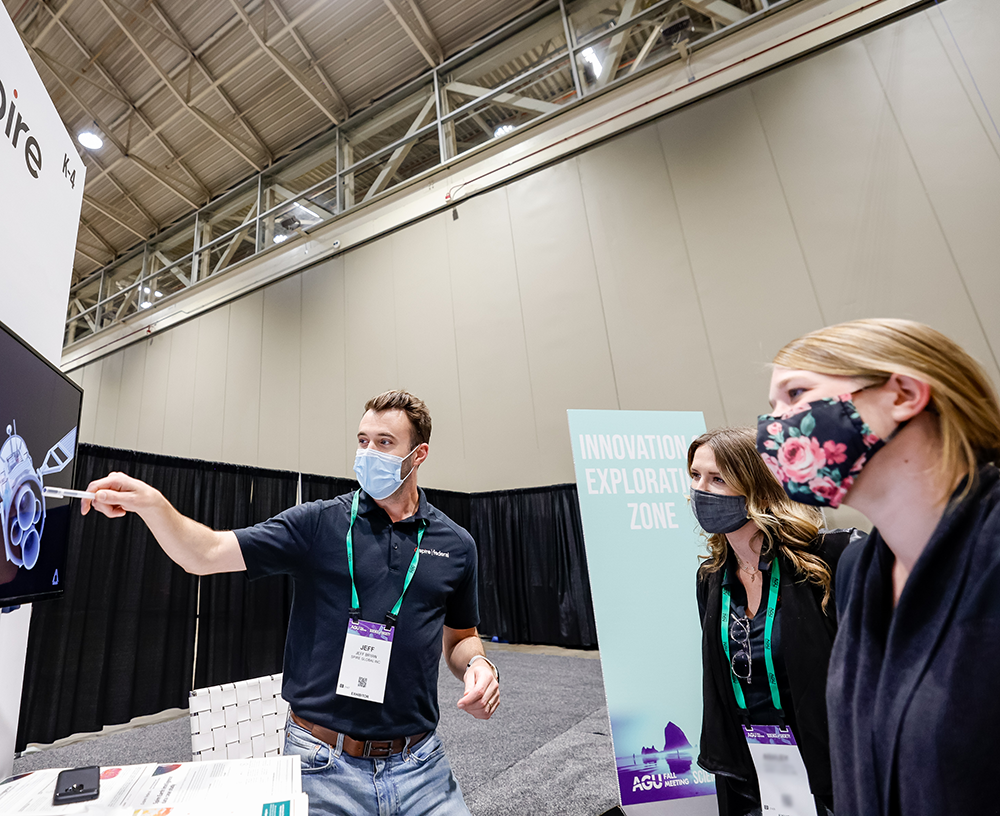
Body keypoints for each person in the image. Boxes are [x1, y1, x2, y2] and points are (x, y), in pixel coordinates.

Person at [82, 390, 499, 816]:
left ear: (419, 453)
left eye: (385, 443)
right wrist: (152, 505)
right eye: (362, 440)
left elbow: (461, 637)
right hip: (322, 764)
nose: (368, 452)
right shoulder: (318, 523)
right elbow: (204, 553)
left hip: (421, 766)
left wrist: (478, 664)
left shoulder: (456, 544)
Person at [758, 318, 1000, 816]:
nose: (774, 427)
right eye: (771, 407)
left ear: (904, 394)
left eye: (796, 393)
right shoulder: (860, 570)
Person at [689, 427, 859, 816]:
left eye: (718, 478)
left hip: (831, 766)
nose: (701, 490)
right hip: (751, 767)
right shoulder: (711, 577)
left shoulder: (828, 561)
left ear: (756, 482)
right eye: (695, 476)